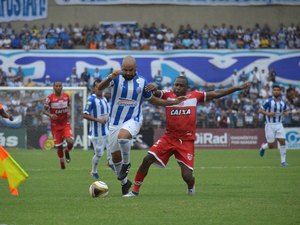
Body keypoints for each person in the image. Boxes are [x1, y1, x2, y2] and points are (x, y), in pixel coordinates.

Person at [123, 75, 251, 197]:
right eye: (176, 85)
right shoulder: (168, 95)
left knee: (187, 176)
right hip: (169, 137)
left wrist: (236, 88)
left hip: (186, 141)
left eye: (181, 86)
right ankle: (134, 191)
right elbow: (155, 92)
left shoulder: (194, 96)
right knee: (147, 159)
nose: (177, 87)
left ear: (187, 88)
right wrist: (153, 86)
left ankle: (191, 185)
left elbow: (216, 93)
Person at [96, 55, 186, 195]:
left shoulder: (142, 82)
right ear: (121, 68)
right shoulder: (116, 78)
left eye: (130, 70)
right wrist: (110, 77)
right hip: (114, 122)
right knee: (115, 158)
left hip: (134, 119)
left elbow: (154, 101)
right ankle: (125, 183)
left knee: (123, 137)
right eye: (125, 69)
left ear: (135, 68)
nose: (127, 73)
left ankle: (127, 164)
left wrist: (172, 102)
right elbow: (99, 88)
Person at [83, 80, 115, 180]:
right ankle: (93, 171)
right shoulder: (91, 100)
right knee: (99, 153)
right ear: (94, 88)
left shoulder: (104, 99)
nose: (100, 89)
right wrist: (98, 120)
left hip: (106, 130)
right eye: (98, 87)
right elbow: (84, 115)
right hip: (97, 133)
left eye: (102, 87)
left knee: (112, 147)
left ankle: (110, 162)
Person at [43, 81, 74, 170]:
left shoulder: (66, 96)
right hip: (55, 126)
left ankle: (67, 150)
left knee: (70, 142)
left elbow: (68, 107)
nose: (58, 87)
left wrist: (68, 112)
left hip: (65, 124)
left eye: (60, 86)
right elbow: (44, 111)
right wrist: (50, 115)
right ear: (53, 87)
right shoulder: (49, 98)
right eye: (56, 86)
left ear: (62, 87)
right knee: (59, 147)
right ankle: (61, 161)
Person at [259, 84, 289, 166]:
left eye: (277, 90)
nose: (276, 91)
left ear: (280, 92)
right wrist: (268, 113)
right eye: (274, 90)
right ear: (272, 92)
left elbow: (286, 111)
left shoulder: (283, 103)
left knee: (282, 142)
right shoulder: (268, 101)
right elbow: (260, 110)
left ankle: (283, 162)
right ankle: (263, 147)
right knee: (271, 145)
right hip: (269, 125)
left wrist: (286, 113)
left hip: (279, 124)